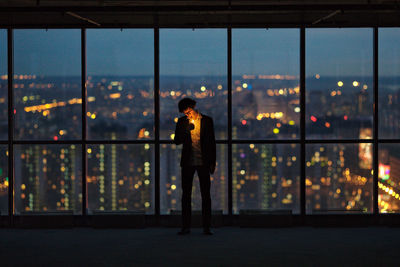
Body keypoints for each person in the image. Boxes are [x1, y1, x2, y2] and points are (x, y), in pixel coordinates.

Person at [173, 97, 216, 235]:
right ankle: (186, 227)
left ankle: (207, 227)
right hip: (188, 163)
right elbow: (176, 141)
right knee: (186, 195)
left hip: (203, 162)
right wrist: (186, 130)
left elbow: (212, 143)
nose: (188, 114)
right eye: (185, 113)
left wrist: (212, 162)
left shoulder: (207, 121)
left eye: (189, 111)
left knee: (206, 195)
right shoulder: (181, 122)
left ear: (193, 107)